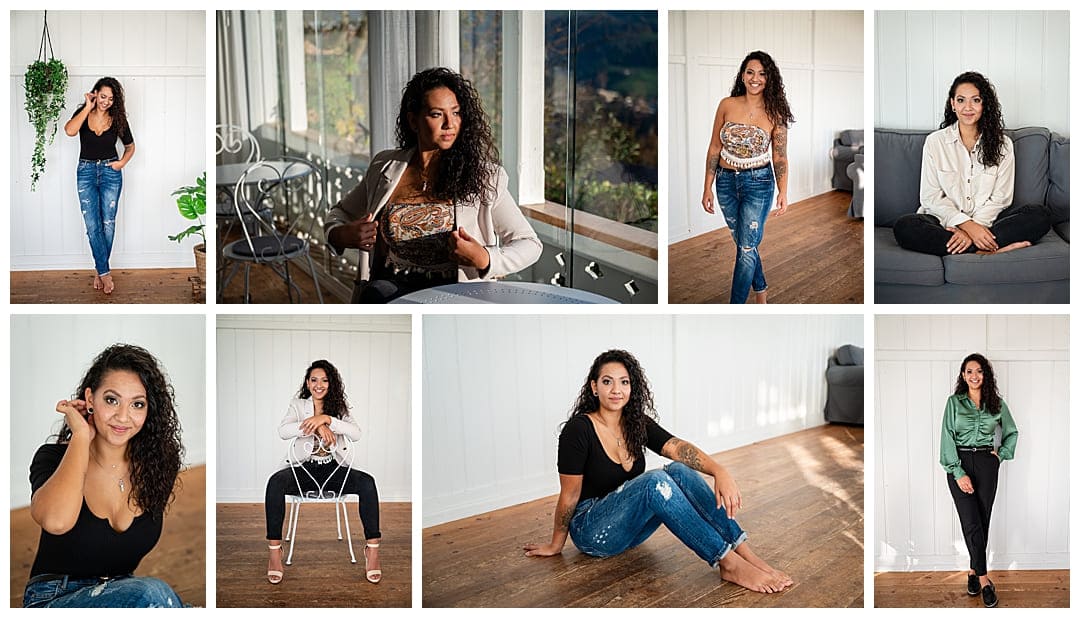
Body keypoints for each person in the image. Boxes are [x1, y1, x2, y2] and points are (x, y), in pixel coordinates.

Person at [524, 350, 793, 594]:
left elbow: (676, 448)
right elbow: (570, 495)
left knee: (678, 469)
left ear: (632, 387)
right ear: (594, 387)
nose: (616, 389)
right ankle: (728, 563)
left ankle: (746, 554)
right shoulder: (578, 430)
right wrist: (555, 545)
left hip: (631, 532)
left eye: (624, 382)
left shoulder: (635, 422)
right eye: (607, 381)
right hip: (592, 531)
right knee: (655, 482)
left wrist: (719, 470)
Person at [325, 67, 542, 303]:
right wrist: (341, 234)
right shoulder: (384, 166)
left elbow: (530, 244)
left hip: (456, 294)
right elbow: (340, 213)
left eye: (456, 113)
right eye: (437, 114)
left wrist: (485, 258)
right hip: (390, 287)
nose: (450, 124)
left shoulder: (485, 177)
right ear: (413, 120)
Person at [24, 344, 184, 608]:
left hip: (121, 594)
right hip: (54, 598)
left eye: (137, 404)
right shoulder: (52, 457)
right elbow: (56, 521)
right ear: (90, 399)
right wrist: (81, 438)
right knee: (152, 594)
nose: (123, 416)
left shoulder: (160, 464)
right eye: (111, 400)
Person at [893, 71, 1051, 256]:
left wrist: (977, 228)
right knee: (905, 226)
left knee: (1040, 214)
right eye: (961, 100)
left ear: (985, 104)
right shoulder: (935, 142)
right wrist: (965, 225)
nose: (968, 107)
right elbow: (930, 197)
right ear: (952, 104)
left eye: (975, 100)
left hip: (988, 223)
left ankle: (970, 247)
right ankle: (988, 250)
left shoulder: (1003, 144)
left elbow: (1001, 198)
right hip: (944, 224)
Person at [264, 360, 382, 584]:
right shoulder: (298, 405)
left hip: (333, 469)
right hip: (303, 470)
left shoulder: (339, 406)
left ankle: (372, 550)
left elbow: (356, 433)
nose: (319, 384)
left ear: (331, 383)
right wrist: (316, 424)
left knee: (368, 483)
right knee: (274, 484)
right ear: (308, 383)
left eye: (324, 380)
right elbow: (283, 431)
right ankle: (274, 551)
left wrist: (328, 419)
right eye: (314, 380)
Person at [701, 51, 793, 304]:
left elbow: (780, 157)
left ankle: (736, 306)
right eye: (750, 72)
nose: (755, 78)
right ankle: (761, 289)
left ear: (769, 78)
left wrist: (783, 192)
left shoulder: (777, 114)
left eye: (762, 74)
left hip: (759, 183)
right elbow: (713, 148)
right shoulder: (727, 105)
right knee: (744, 244)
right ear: (742, 75)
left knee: (746, 247)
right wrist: (707, 187)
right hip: (726, 182)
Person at [939, 353, 1018, 608]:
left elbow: (1012, 432)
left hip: (986, 463)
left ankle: (972, 572)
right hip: (959, 462)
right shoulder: (954, 402)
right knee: (970, 520)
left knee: (982, 520)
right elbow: (947, 437)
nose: (974, 376)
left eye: (979, 371)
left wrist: (1000, 456)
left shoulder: (996, 404)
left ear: (986, 375)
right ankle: (984, 579)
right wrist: (957, 472)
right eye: (969, 371)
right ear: (963, 375)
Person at [63, 77, 136, 296]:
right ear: (95, 93)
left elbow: (130, 147)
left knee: (108, 224)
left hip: (110, 173)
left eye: (110, 99)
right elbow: (69, 131)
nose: (106, 101)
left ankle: (100, 270)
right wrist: (88, 106)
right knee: (92, 225)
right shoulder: (83, 114)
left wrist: (121, 163)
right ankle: (104, 272)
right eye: (103, 96)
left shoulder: (118, 119)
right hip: (85, 172)